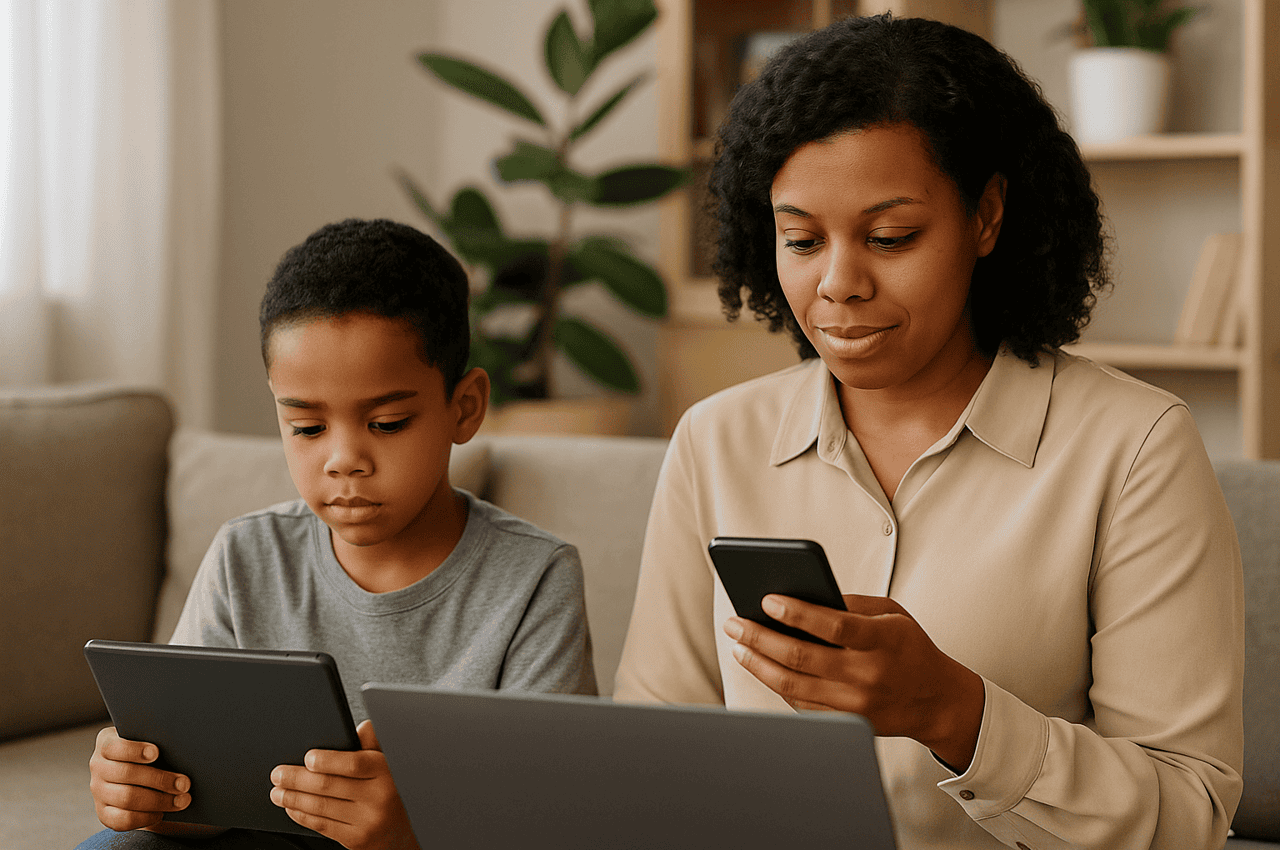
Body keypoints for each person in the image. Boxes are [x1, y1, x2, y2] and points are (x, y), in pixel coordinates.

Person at [614, 14, 1243, 850]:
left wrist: (956, 713)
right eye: (800, 239)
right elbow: (650, 764)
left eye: (889, 237)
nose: (838, 283)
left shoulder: (1134, 448)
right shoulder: (716, 441)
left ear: (987, 216)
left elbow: (1187, 815)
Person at [80, 218, 597, 850]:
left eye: (386, 423)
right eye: (305, 428)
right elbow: (203, 800)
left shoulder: (535, 577)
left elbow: (551, 822)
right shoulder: (245, 555)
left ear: (464, 408)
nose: (343, 459)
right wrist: (148, 792)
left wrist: (409, 833)